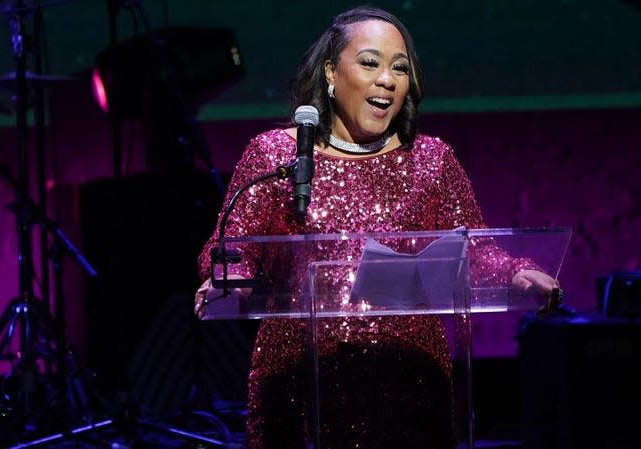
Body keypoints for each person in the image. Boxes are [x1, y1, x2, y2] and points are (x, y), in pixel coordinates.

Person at [193, 5, 560, 449]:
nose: (387, 79)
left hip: (409, 382)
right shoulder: (276, 157)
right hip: (297, 383)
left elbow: (477, 249)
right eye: (370, 63)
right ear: (331, 71)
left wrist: (516, 273)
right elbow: (233, 246)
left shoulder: (431, 161)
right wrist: (227, 278)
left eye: (399, 68)